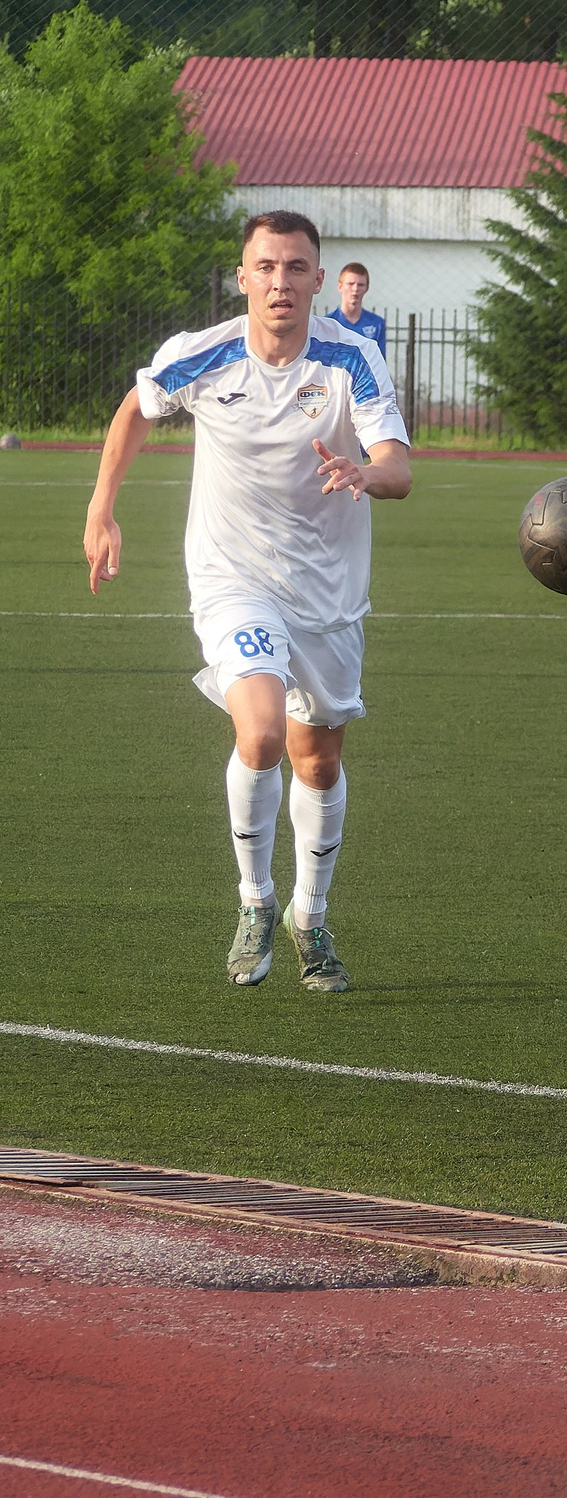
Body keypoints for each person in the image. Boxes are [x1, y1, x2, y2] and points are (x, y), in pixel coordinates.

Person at [83, 210, 412, 992]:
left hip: (327, 592)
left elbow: (398, 466)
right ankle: (254, 900)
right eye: (265, 267)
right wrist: (102, 508)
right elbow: (137, 408)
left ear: (319, 281)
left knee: (318, 759)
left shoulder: (350, 358)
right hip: (233, 577)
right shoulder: (205, 355)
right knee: (260, 732)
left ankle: (309, 915)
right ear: (242, 278)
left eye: (296, 268)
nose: (280, 282)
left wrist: (365, 472)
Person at [333, 262, 388, 351]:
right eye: (350, 284)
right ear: (340, 286)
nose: (355, 289)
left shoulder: (376, 323)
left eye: (360, 285)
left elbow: (379, 360)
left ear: (367, 288)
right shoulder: (328, 323)